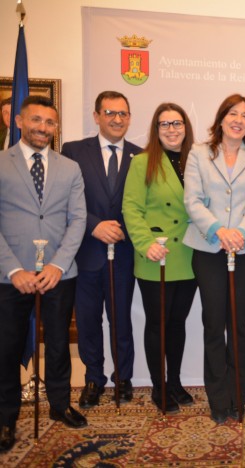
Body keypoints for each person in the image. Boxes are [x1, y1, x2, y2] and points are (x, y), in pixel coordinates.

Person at [0, 96, 87, 452]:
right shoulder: (1, 164)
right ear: (18, 121)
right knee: (6, 348)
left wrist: (57, 264)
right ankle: (6, 419)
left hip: (58, 273)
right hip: (11, 276)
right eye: (36, 120)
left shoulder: (69, 168)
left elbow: (78, 218)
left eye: (50, 122)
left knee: (57, 344)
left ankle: (60, 404)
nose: (43, 128)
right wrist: (13, 268)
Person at [184, 93, 245, 423]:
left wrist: (241, 234)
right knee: (213, 323)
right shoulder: (198, 153)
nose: (238, 120)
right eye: (232, 113)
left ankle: (238, 398)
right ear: (221, 119)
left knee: (238, 326)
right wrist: (220, 230)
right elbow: (193, 201)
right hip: (208, 250)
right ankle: (219, 401)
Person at [62, 91, 141, 410]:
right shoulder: (73, 151)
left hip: (123, 254)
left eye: (123, 113)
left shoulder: (142, 156)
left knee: (121, 320)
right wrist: (94, 224)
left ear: (129, 118)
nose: (117, 119)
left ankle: (123, 378)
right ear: (96, 116)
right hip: (86, 252)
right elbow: (65, 198)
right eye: (110, 113)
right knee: (89, 321)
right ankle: (94, 378)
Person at [122, 103, 198, 414]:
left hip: (190, 255)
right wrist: (145, 243)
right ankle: (158, 386)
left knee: (177, 323)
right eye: (164, 124)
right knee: (158, 324)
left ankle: (176, 381)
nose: (171, 129)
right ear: (156, 129)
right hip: (157, 254)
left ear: (185, 127)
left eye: (177, 123)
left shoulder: (197, 161)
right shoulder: (142, 163)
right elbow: (131, 208)